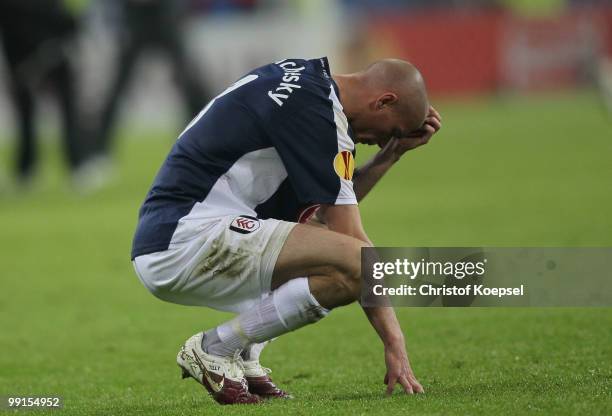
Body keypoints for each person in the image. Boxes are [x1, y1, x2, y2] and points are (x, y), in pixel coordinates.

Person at [131, 57, 441, 405]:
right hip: (186, 237)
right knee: (355, 264)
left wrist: (391, 155)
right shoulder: (320, 116)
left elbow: (327, 216)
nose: (380, 141)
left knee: (336, 261)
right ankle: (215, 348)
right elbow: (354, 247)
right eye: (392, 132)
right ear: (384, 102)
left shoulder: (306, 82)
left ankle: (244, 354)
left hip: (177, 233)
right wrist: (394, 342)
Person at [0, 0, 84, 186]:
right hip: (25, 51)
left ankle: (74, 164)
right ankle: (27, 168)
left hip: (50, 48)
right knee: (29, 110)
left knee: (65, 107)